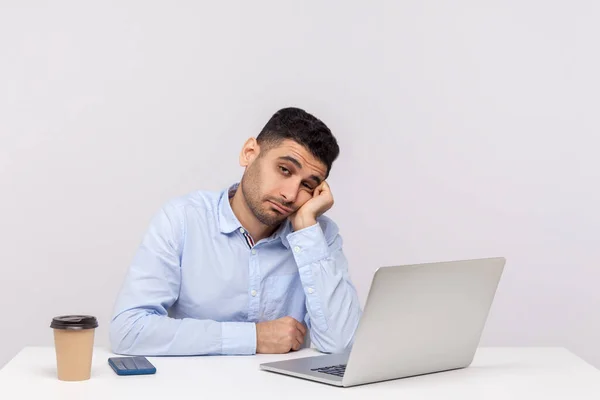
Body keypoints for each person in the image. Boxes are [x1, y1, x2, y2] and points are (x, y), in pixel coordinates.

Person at [109, 107, 362, 356]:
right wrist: (254, 337)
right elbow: (128, 330)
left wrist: (307, 229)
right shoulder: (183, 219)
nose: (290, 195)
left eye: (307, 185)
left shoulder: (317, 235)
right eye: (284, 170)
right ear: (249, 153)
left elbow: (343, 345)